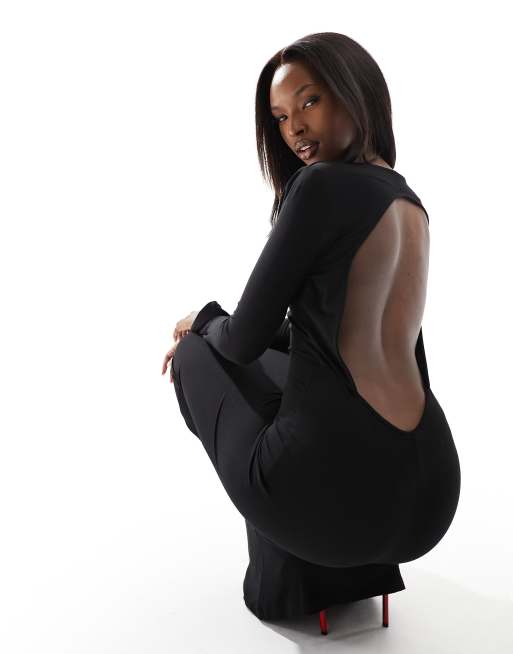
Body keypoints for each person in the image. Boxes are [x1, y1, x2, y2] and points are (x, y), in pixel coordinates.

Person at [161, 32, 461, 621]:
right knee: (282, 367)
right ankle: (335, 573)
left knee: (198, 351)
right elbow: (322, 336)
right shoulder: (408, 202)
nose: (294, 127)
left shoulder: (321, 185)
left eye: (310, 101)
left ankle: (291, 568)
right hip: (428, 498)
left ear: (356, 92)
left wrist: (203, 320)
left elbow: (242, 339)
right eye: (279, 117)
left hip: (329, 511)